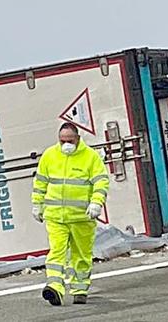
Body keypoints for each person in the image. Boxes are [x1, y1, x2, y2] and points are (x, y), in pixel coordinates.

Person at [32, 121, 109, 306]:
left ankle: (80, 289)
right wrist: (37, 205)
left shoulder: (90, 157)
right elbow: (40, 183)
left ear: (78, 139)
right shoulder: (50, 155)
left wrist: (97, 203)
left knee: (81, 255)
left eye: (70, 140)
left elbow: (101, 182)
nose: (66, 144)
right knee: (56, 253)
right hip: (55, 217)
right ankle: (54, 288)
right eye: (62, 140)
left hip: (82, 217)